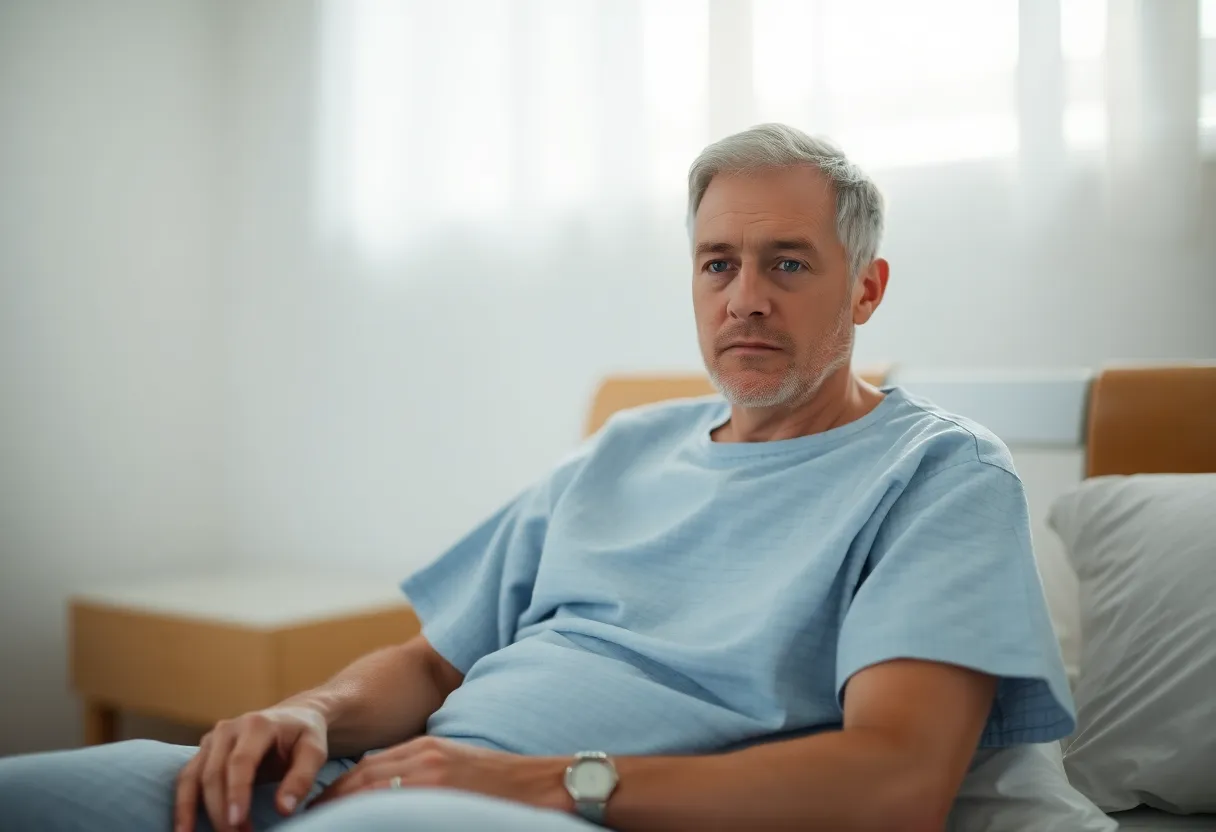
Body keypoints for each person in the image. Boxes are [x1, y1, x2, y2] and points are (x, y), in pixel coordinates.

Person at [0, 123, 1074, 832]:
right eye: (717, 263)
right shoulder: (625, 446)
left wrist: (526, 782)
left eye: (786, 263)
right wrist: (309, 711)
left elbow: (895, 779)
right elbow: (427, 665)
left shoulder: (933, 471)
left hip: (547, 810)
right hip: (407, 779)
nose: (743, 297)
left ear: (868, 287)